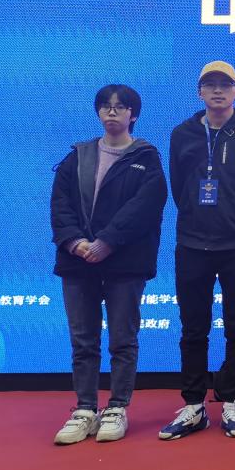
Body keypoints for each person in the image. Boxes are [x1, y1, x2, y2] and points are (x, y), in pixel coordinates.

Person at [159, 61, 235, 440]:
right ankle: (193, 405)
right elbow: (179, 187)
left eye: (226, 85)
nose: (218, 91)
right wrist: (198, 216)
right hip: (193, 244)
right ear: (200, 92)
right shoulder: (182, 133)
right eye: (210, 85)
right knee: (193, 328)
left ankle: (232, 402)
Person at [50, 85, 168, 444]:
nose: (112, 112)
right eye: (105, 106)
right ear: (98, 113)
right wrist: (76, 242)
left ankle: (117, 408)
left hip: (124, 263)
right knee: (83, 341)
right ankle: (85, 409)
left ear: (134, 114)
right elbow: (60, 205)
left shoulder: (146, 158)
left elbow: (145, 208)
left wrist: (107, 242)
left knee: (122, 339)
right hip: (78, 262)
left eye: (120, 107)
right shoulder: (77, 155)